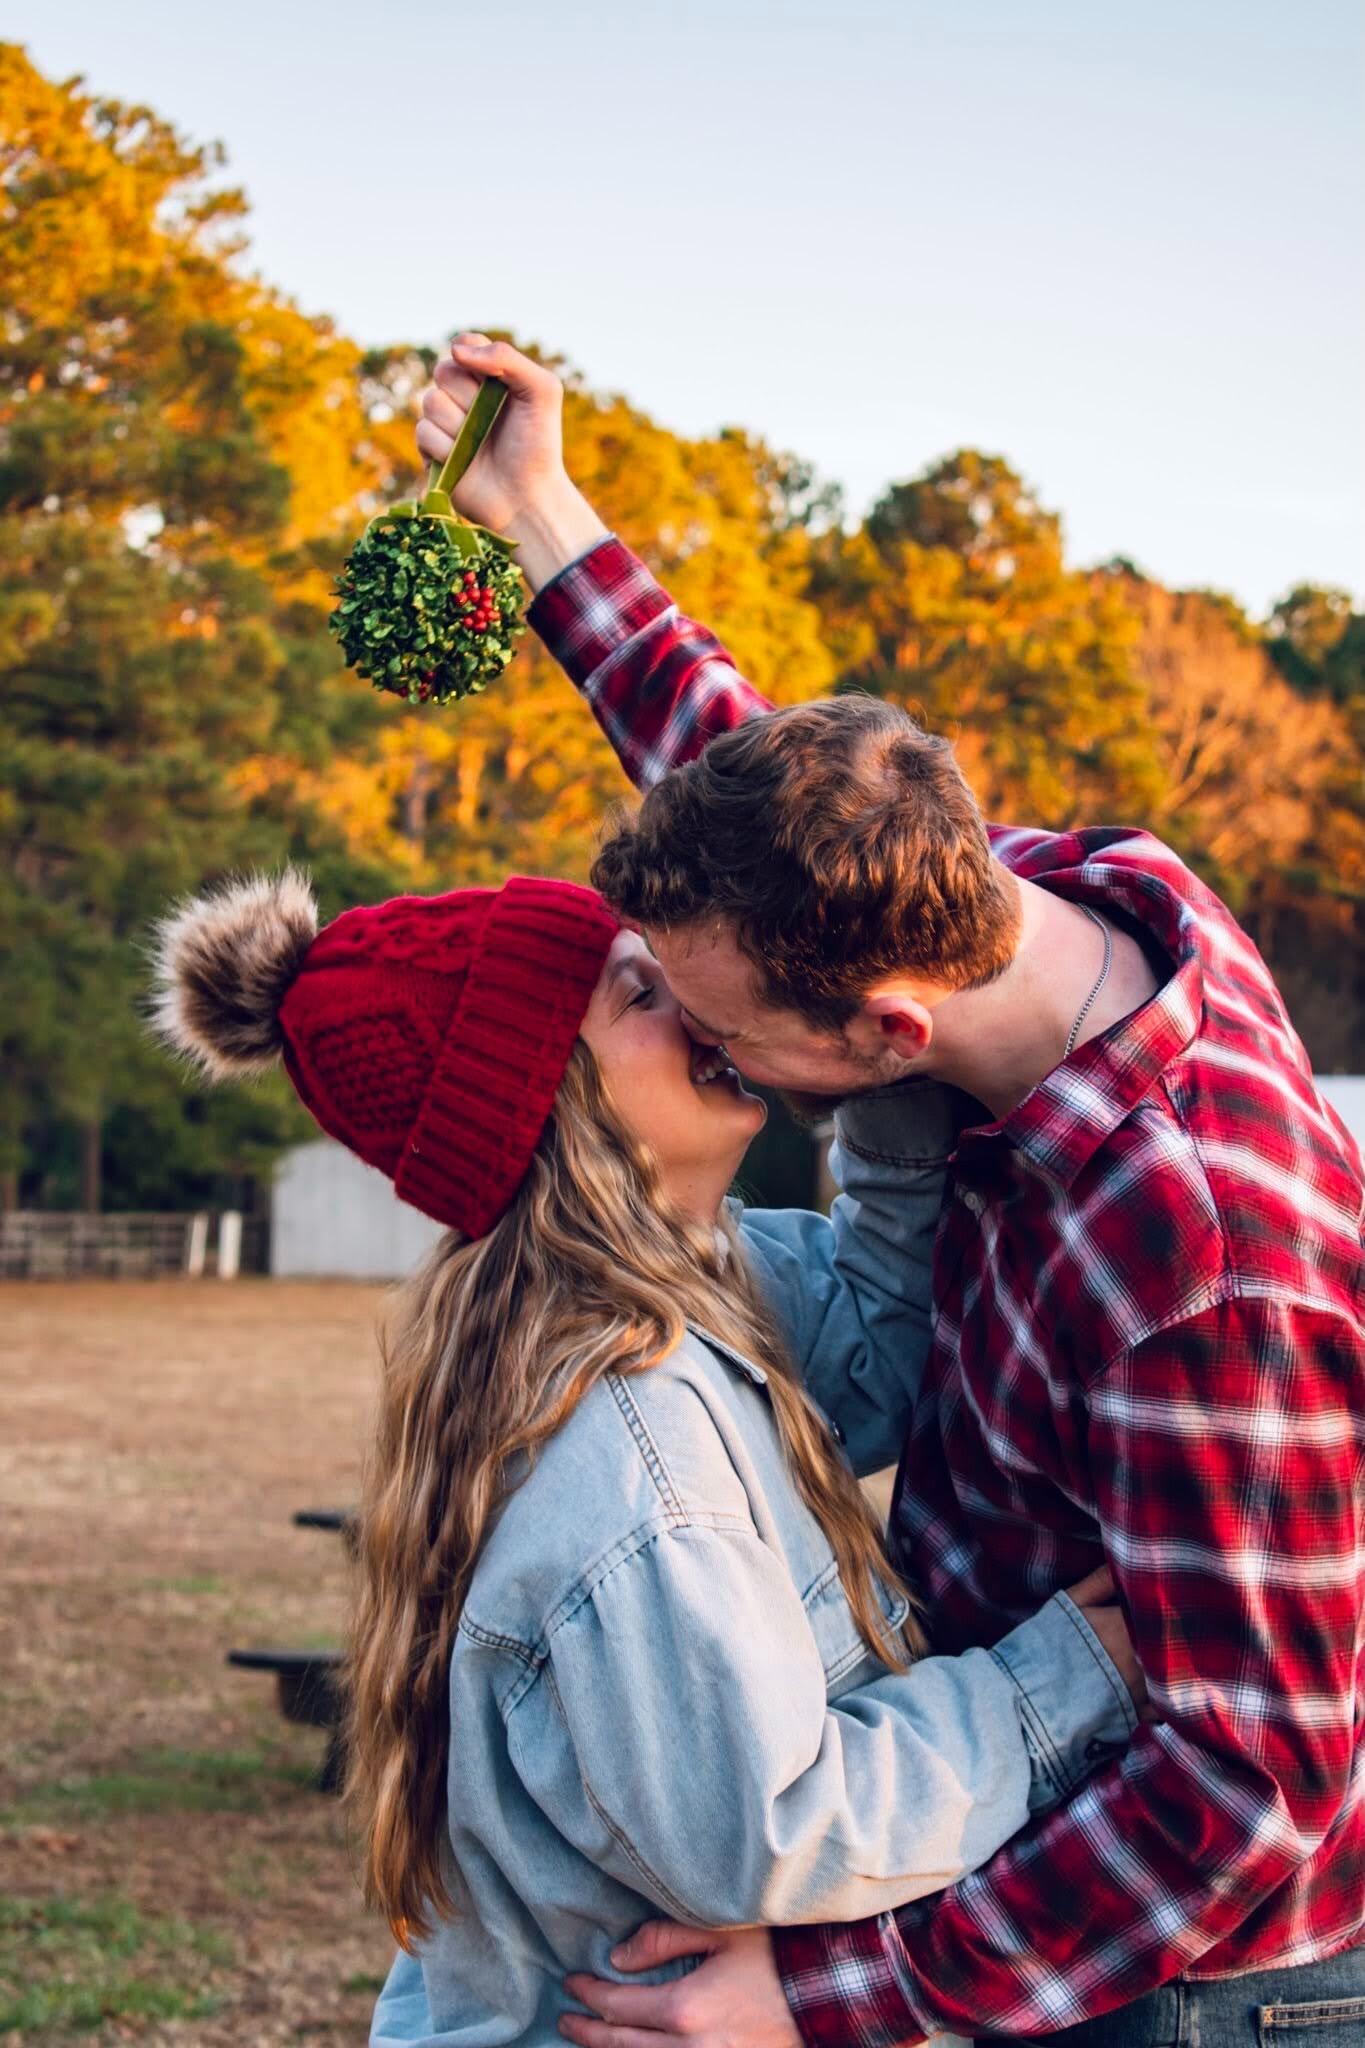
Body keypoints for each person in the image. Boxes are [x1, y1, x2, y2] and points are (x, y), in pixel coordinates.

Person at [414, 336, 1365, 2048]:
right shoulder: (1014, 905)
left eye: (723, 1036)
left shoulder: (1209, 1258)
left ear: (886, 1030)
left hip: (1186, 1969)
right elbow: (740, 776)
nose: (705, 1058)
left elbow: (1257, 1776)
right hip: (1015, 1844)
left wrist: (840, 1987)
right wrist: (535, 506)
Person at [151, 869, 1142, 2048]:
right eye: (639, 993)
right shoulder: (627, 1431)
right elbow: (773, 1827)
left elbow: (879, 1345)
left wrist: (871, 1036)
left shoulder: (699, 1275)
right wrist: (1079, 1670)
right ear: (552, 1100)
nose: (693, 998)